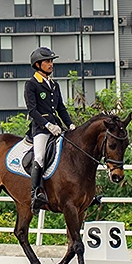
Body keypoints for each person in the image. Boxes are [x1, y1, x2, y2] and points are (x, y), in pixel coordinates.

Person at [24, 46, 75, 211]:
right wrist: (47, 125)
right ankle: (36, 194)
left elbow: (61, 108)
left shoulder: (54, 85)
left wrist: (71, 125)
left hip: (57, 128)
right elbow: (32, 110)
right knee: (39, 157)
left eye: (52, 61)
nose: (51, 64)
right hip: (40, 129)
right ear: (38, 65)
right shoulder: (31, 84)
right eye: (47, 61)